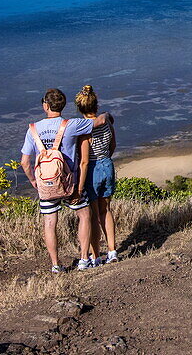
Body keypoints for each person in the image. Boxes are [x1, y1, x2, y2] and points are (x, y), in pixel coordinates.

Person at [19, 87, 97, 273]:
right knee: (84, 215)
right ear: (62, 106)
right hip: (70, 183)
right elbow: (97, 122)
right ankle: (84, 259)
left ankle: (55, 264)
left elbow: (24, 162)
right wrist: (107, 116)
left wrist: (33, 181)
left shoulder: (33, 129)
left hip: (46, 184)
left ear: (45, 105)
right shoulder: (72, 124)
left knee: (50, 223)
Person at [75, 84, 119, 265]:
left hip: (92, 169)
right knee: (106, 210)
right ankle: (112, 250)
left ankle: (96, 255)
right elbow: (113, 145)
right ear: (96, 105)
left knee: (93, 215)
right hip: (107, 164)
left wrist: (79, 185)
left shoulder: (84, 130)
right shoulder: (106, 122)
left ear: (80, 108)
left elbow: (84, 161)